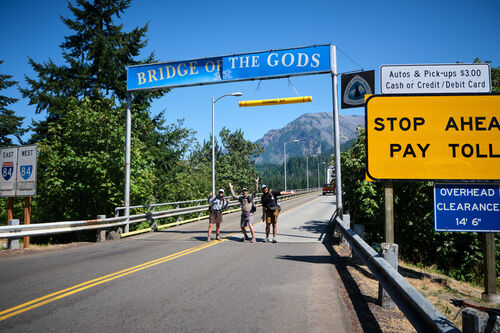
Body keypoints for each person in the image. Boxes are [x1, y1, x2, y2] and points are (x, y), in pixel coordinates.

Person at [229, 177, 259, 243]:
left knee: (250, 225)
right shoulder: (241, 198)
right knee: (242, 227)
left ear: (247, 192)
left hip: (250, 213)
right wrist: (231, 188)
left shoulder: (250, 196)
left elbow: (256, 190)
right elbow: (234, 196)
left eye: (245, 191)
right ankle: (246, 236)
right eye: (243, 191)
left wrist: (256, 182)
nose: (244, 192)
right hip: (243, 214)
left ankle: (253, 238)